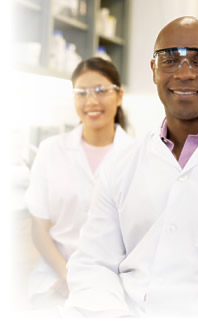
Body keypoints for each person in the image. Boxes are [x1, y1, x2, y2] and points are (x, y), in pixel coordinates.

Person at [64, 17, 198, 317]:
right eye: (169, 60)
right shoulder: (121, 164)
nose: (184, 73)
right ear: (153, 70)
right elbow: (94, 263)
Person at [25, 57, 132, 311]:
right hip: (55, 275)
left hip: (115, 279)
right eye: (81, 93)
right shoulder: (51, 151)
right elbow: (39, 229)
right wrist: (67, 274)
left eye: (101, 91)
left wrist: (91, 279)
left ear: (119, 96)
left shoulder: (137, 156)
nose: (91, 101)